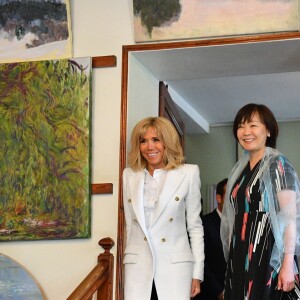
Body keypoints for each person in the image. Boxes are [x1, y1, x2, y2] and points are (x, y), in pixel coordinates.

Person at [220, 103, 300, 300]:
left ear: (269, 130)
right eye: (240, 126)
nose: (246, 131)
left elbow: (291, 218)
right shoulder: (239, 169)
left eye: (253, 125)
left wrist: (288, 265)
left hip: (266, 253)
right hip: (240, 254)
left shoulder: (278, 164)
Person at [122, 116, 204, 300]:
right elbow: (130, 226)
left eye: (156, 140)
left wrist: (197, 273)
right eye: (143, 141)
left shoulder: (188, 173)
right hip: (137, 268)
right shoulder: (129, 176)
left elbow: (195, 227)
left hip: (175, 268)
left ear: (167, 143)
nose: (149, 147)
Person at [197, 178, 228, 300]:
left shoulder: (243, 226)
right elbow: (201, 262)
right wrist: (219, 291)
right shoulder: (204, 224)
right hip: (211, 294)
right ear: (219, 198)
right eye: (229, 195)